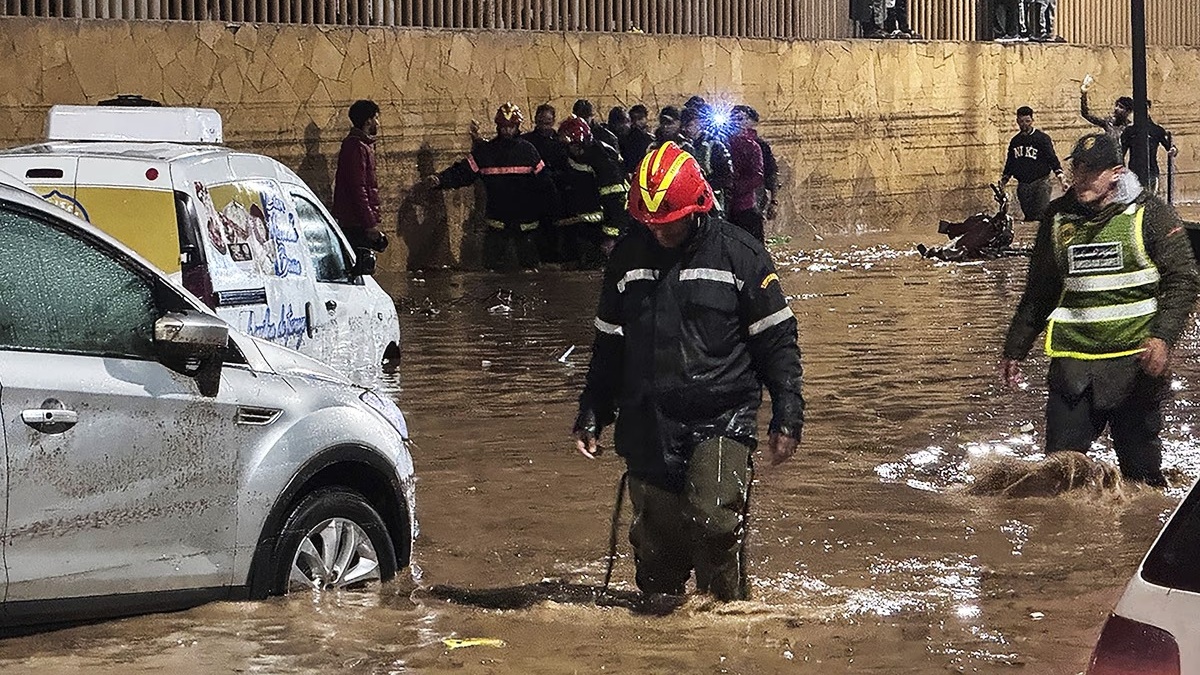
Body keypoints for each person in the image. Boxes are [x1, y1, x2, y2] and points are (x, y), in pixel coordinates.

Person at [572, 141, 804, 601]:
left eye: (671, 224)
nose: (661, 233)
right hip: (647, 420)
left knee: (714, 520)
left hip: (721, 418)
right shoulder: (627, 259)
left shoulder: (740, 255)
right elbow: (609, 346)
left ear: (698, 207)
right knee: (657, 555)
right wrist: (593, 410)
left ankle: (725, 630)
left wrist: (787, 412)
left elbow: (777, 340)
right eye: (653, 224)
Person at [1000, 132, 1199, 487]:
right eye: (1077, 168)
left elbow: (1183, 279)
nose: (1081, 179)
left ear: (1117, 172)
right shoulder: (1057, 219)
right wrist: (1015, 350)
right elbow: (1040, 291)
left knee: (1143, 484)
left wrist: (1163, 338)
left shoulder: (1151, 214)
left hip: (1135, 368)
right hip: (1074, 368)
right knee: (1058, 480)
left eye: (1092, 171)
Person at [423, 103, 556, 270]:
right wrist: (440, 180)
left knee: (529, 274)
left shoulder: (528, 151)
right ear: (498, 126)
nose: (507, 131)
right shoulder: (487, 152)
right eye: (504, 127)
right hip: (497, 226)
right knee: (493, 274)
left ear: (517, 126)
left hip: (525, 228)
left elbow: (545, 185)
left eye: (511, 127)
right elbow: (463, 172)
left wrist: (549, 216)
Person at [554, 115, 629, 267]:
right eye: (570, 146)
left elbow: (616, 200)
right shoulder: (572, 157)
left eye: (575, 146)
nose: (573, 150)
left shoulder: (603, 159)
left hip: (606, 226)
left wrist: (610, 237)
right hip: (585, 227)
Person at [333, 99, 388, 252]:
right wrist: (369, 223)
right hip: (355, 222)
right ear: (368, 120)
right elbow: (358, 187)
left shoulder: (362, 145)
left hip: (357, 220)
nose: (378, 123)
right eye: (376, 118)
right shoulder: (356, 147)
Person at [999, 105, 1067, 222]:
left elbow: (1051, 158)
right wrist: (1004, 180)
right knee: (1029, 216)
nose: (1024, 124)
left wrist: (1061, 177)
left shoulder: (1042, 138)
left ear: (1032, 121)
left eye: (1027, 121)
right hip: (1023, 184)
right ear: (1017, 121)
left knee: (1041, 216)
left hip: (1040, 182)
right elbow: (1010, 162)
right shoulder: (1015, 141)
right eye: (1021, 121)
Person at [521, 103, 570, 262]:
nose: (544, 126)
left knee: (554, 232)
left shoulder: (560, 142)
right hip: (532, 195)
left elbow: (567, 167)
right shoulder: (527, 142)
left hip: (555, 195)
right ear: (535, 119)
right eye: (541, 122)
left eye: (548, 122)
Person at [680, 106, 733, 216]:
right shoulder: (682, 145)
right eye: (684, 126)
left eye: (690, 125)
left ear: (699, 123)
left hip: (712, 201)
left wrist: (705, 185)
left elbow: (726, 175)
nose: (686, 130)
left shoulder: (714, 145)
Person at [1121, 103, 1178, 196]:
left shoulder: (1156, 130)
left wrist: (1173, 150)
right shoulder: (1129, 131)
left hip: (1152, 170)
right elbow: (1121, 152)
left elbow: (1170, 147)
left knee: (1152, 199)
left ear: (1148, 110)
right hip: (1134, 171)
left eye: (1144, 108)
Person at [727, 105, 766, 242]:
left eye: (740, 119)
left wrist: (735, 188)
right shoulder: (720, 143)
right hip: (726, 208)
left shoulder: (753, 146)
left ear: (747, 122)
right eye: (733, 119)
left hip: (744, 206)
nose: (736, 122)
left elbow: (757, 176)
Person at [1080, 79, 1133, 144]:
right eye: (1117, 105)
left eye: (1121, 107)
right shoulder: (1108, 122)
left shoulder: (1130, 127)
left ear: (1128, 111)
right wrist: (1084, 94)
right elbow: (1086, 114)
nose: (1116, 108)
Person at [621, 104, 655, 174]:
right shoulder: (626, 139)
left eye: (640, 119)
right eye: (633, 119)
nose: (636, 123)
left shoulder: (650, 139)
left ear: (646, 118)